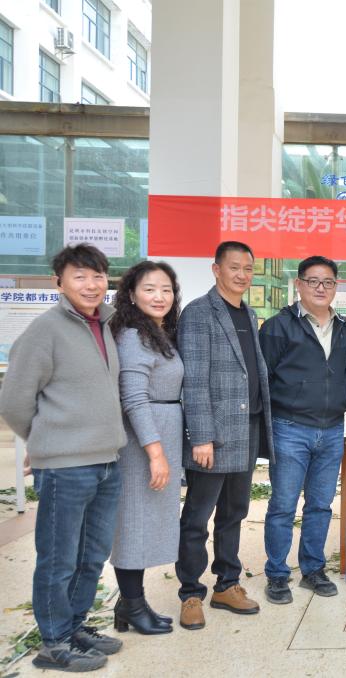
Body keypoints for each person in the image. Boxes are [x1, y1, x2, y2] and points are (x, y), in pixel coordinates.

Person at [0, 245, 127, 672]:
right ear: (59, 282)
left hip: (107, 461)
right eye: (79, 276)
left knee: (92, 555)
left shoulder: (105, 325)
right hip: (65, 468)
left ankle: (74, 626)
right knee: (58, 559)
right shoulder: (44, 330)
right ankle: (53, 643)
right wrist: (45, 442)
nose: (91, 285)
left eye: (98, 276)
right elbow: (14, 401)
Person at [176, 241, 274, 630]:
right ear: (216, 269)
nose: (242, 275)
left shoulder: (249, 313)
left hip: (246, 428)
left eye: (248, 268)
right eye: (234, 267)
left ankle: (227, 584)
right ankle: (190, 593)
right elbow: (194, 380)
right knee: (197, 517)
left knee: (235, 513)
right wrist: (201, 436)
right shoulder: (199, 313)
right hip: (213, 435)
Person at [259, 255, 346, 604]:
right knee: (283, 505)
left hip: (331, 429)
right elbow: (263, 380)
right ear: (298, 284)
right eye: (312, 281)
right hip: (290, 428)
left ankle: (313, 569)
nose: (320, 287)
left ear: (335, 287)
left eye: (327, 282)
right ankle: (277, 574)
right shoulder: (278, 326)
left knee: (320, 505)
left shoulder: (345, 327)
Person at [108, 262, 184, 635]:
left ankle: (131, 603)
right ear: (132, 294)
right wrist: (155, 452)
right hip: (143, 440)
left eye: (166, 289)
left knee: (143, 522)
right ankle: (132, 605)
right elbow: (134, 398)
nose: (159, 296)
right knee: (133, 523)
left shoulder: (157, 332)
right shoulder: (133, 336)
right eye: (150, 289)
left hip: (161, 432)